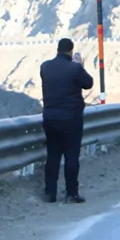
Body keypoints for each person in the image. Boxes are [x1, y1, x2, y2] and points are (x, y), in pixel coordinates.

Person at [40, 38, 95, 203]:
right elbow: (88, 83)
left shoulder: (45, 66)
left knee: (53, 155)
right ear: (71, 51)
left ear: (57, 49)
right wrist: (80, 66)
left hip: (50, 118)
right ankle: (71, 193)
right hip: (71, 119)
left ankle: (50, 192)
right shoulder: (75, 68)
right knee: (71, 156)